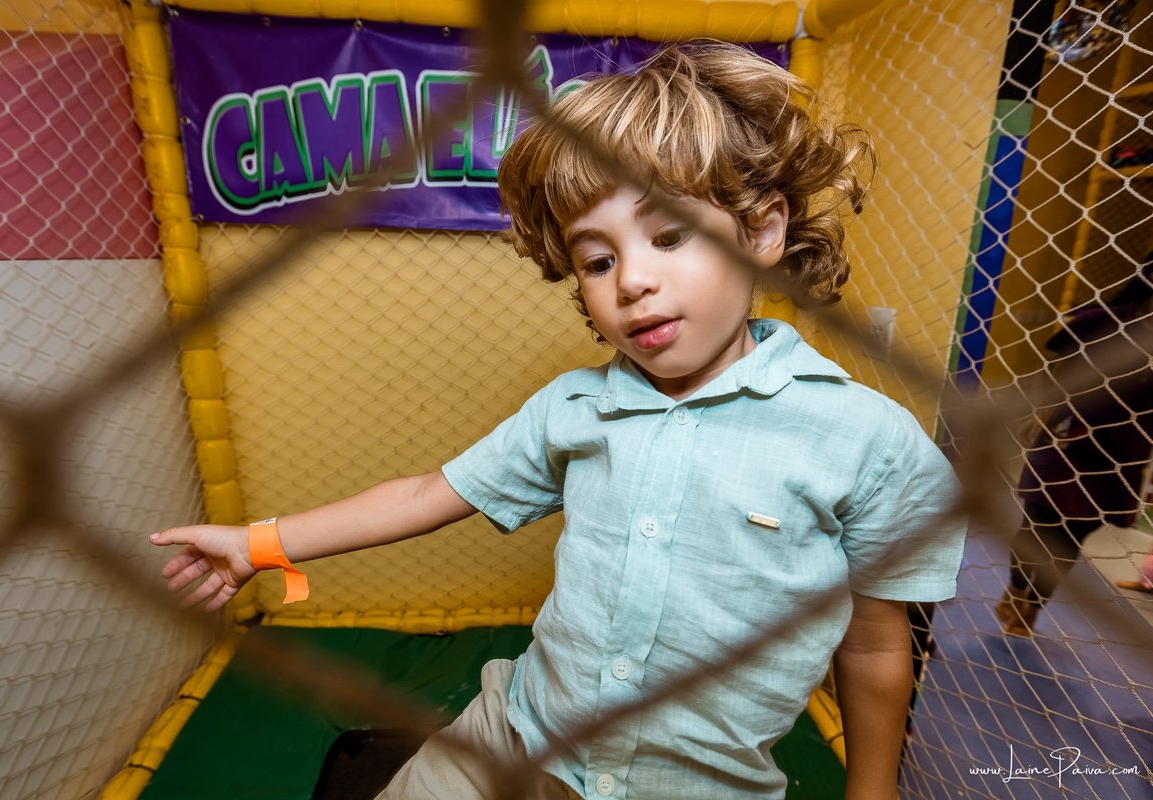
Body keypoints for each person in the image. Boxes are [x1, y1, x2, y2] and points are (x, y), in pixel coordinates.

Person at [151, 43, 967, 800]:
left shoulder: (866, 440)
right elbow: (428, 494)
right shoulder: (579, 407)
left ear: (760, 231)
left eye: (669, 235)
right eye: (598, 258)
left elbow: (872, 647)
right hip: (516, 737)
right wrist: (259, 544)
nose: (632, 282)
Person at [997, 255, 1153, 636]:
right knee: (1033, 527)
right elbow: (1060, 363)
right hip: (1068, 438)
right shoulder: (1107, 320)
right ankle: (1019, 589)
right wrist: (1044, 409)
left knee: (1071, 539)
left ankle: (1031, 607)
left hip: (1122, 452)